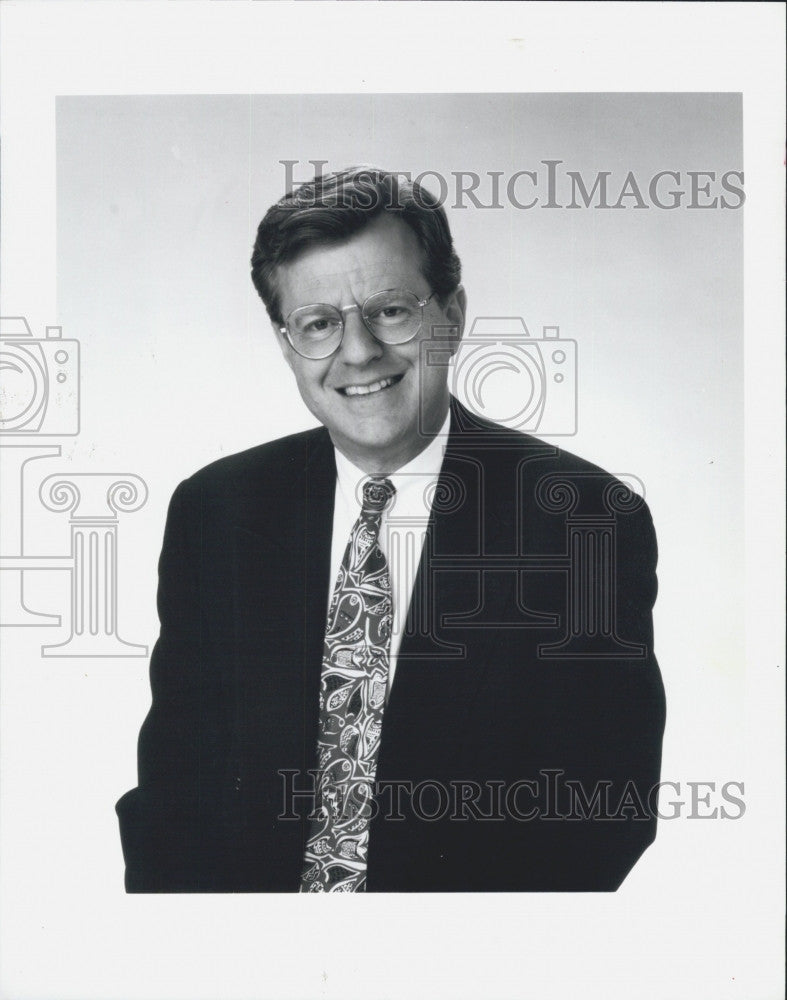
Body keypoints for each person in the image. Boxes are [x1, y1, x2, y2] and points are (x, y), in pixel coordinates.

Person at [116, 166, 666, 892]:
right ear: (287, 344)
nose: (358, 352)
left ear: (453, 314)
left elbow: (601, 813)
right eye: (318, 324)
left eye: (391, 311)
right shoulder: (216, 511)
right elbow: (174, 789)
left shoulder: (580, 520)